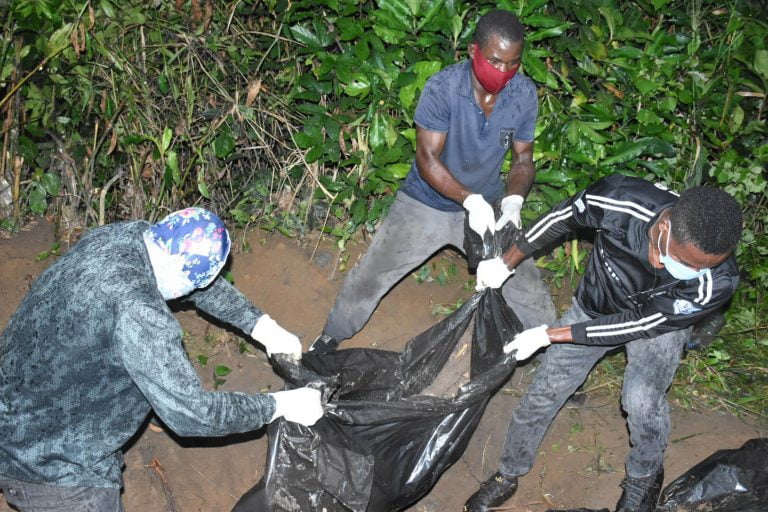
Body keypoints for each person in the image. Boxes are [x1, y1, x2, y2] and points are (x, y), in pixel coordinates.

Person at [0, 207, 324, 511]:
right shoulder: (139, 312)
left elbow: (195, 282)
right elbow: (193, 416)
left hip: (17, 396)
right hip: (47, 461)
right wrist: (279, 405)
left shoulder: (122, 238)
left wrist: (262, 326)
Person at [463, 174, 743, 512]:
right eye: (682, 262)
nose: (683, 272)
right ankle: (509, 471)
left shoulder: (717, 282)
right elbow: (559, 219)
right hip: (596, 302)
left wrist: (548, 335)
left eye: (698, 268)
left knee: (642, 400)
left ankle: (644, 475)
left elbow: (635, 325)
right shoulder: (620, 200)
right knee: (546, 388)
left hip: (658, 326)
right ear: (665, 226)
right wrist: (505, 263)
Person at [310, 9, 556, 353]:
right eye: (496, 61)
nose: (504, 72)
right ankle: (329, 337)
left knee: (526, 282)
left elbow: (523, 160)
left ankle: (555, 354)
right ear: (474, 51)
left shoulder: (523, 94)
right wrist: (469, 200)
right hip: (427, 201)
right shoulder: (443, 88)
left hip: (490, 202)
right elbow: (427, 160)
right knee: (372, 274)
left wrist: (513, 201)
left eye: (513, 64)